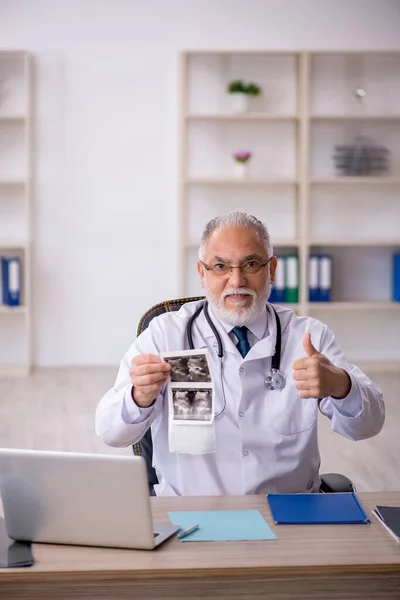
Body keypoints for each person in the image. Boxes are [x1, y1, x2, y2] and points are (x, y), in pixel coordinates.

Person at [95, 212, 385, 496]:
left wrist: (342, 387)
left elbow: (367, 425)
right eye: (221, 266)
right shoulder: (166, 335)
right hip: (191, 514)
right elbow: (111, 433)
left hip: (291, 513)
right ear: (202, 274)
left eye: (251, 264)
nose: (236, 281)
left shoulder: (309, 337)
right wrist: (138, 397)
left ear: (271, 270)